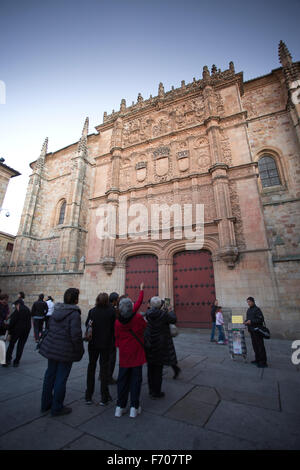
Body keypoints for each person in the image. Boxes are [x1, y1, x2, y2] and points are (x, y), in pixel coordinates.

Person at [39, 288, 84, 416]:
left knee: (49, 376)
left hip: (52, 349)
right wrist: (80, 351)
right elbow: (75, 335)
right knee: (60, 378)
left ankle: (45, 404)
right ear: (75, 299)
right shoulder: (74, 314)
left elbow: (50, 328)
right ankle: (57, 407)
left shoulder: (56, 311)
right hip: (65, 352)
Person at [114, 297, 147, 418]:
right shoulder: (137, 318)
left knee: (122, 381)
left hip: (124, 355)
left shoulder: (117, 322)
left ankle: (120, 407)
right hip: (136, 353)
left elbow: (116, 338)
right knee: (136, 381)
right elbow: (144, 327)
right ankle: (134, 407)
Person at [85, 293, 116, 405]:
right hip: (106, 345)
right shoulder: (111, 312)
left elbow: (87, 324)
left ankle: (88, 396)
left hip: (93, 344)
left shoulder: (92, 311)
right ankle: (104, 397)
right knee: (104, 370)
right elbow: (114, 328)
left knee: (91, 368)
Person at [144, 296, 177, 399]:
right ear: (160, 305)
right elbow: (173, 319)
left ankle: (150, 390)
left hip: (149, 345)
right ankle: (156, 392)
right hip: (160, 345)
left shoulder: (147, 314)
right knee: (158, 370)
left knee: (150, 369)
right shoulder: (164, 315)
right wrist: (171, 311)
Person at [3, 299, 31, 367]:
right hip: (26, 330)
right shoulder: (27, 309)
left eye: (15, 305)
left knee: (11, 345)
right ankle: (16, 362)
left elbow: (12, 321)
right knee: (20, 346)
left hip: (17, 330)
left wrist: (9, 330)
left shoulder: (18, 309)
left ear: (18, 304)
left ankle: (7, 360)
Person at [244, 297, 268, 368]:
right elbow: (248, 319)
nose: (248, 303)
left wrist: (251, 321)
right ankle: (257, 359)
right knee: (255, 346)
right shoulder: (248, 310)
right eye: (247, 302)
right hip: (252, 330)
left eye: (249, 302)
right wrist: (245, 322)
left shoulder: (257, 309)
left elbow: (261, 319)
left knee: (260, 346)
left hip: (257, 330)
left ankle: (263, 362)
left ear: (253, 302)